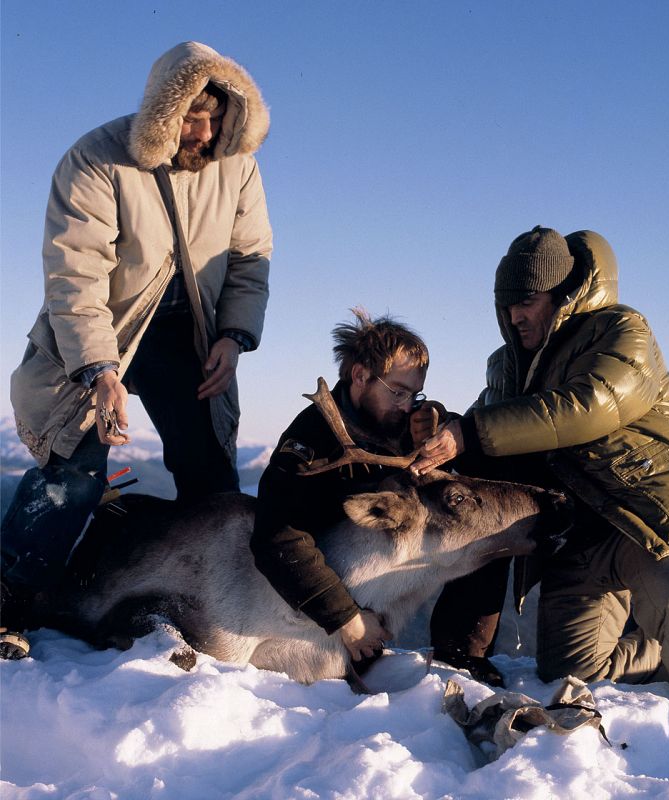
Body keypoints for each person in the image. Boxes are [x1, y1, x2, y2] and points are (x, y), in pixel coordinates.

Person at [411, 226, 669, 781]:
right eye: (506, 303)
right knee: (570, 670)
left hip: (642, 515)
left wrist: (474, 430)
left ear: (562, 295)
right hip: (577, 536)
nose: (515, 315)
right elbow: (488, 429)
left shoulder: (620, 330)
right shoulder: (506, 365)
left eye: (527, 301)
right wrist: (444, 424)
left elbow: (592, 405)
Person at [0, 42, 272, 660]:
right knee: (73, 471)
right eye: (190, 119)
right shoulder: (96, 160)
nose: (203, 134)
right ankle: (8, 603)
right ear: (160, 112)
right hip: (103, 337)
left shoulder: (239, 166)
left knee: (211, 479)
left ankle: (209, 612)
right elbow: (76, 278)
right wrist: (99, 367)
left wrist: (234, 336)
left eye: (216, 120)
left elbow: (251, 261)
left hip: (192, 342)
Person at [251, 310, 452, 673]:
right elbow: (277, 538)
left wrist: (440, 425)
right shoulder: (310, 443)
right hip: (313, 607)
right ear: (360, 376)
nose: (407, 406)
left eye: (415, 395)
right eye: (398, 392)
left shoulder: (396, 418)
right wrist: (348, 620)